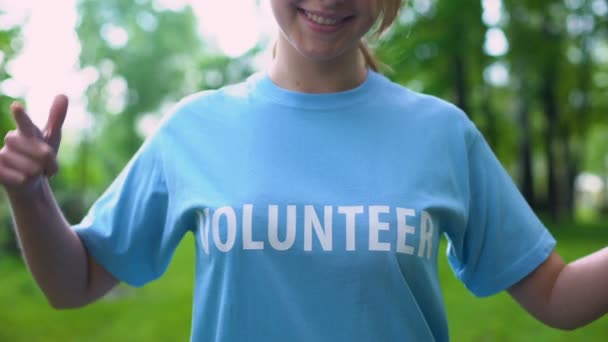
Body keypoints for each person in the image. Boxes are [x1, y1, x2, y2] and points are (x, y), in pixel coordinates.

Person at [1, 0, 606, 341]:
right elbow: (72, 283)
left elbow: (556, 296)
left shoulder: (442, 134)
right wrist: (30, 195)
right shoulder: (195, 128)